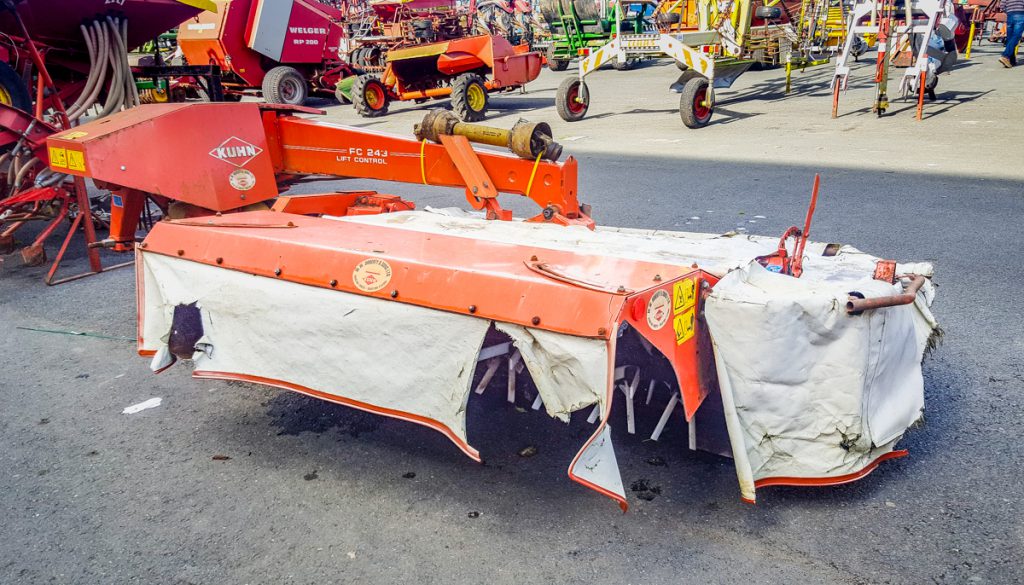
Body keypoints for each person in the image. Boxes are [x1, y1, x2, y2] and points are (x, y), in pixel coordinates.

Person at [1000, 0, 1024, 67]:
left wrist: (1008, 11)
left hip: (1010, 15)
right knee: (1016, 36)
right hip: (1021, 14)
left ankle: (1011, 61)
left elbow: (1002, 5)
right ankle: (1005, 55)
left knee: (1010, 38)